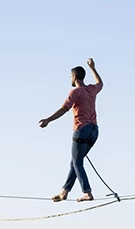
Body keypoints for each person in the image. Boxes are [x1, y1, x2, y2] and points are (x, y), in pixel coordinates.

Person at [39, 58, 103, 202]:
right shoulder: (91, 89)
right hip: (94, 131)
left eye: (70, 76)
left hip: (81, 130)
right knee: (76, 161)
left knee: (77, 162)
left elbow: (64, 109)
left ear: (74, 77)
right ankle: (64, 191)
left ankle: (87, 191)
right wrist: (93, 68)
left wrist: (48, 120)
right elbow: (101, 83)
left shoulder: (76, 92)